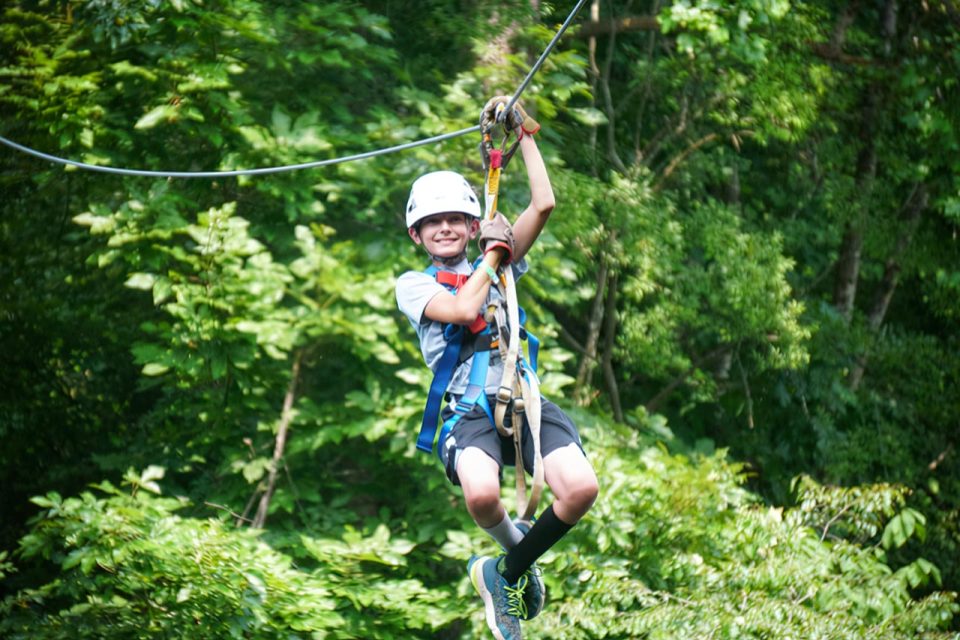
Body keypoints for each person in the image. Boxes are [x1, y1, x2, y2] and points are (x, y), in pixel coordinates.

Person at [395, 97, 599, 640]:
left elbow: (544, 202)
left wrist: (522, 132)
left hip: (523, 399)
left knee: (580, 489)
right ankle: (518, 564)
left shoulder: (500, 253)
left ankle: (503, 572)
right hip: (468, 411)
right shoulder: (413, 286)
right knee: (482, 496)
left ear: (468, 223)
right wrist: (491, 255)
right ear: (416, 235)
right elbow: (463, 311)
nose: (443, 229)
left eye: (453, 220)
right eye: (431, 223)